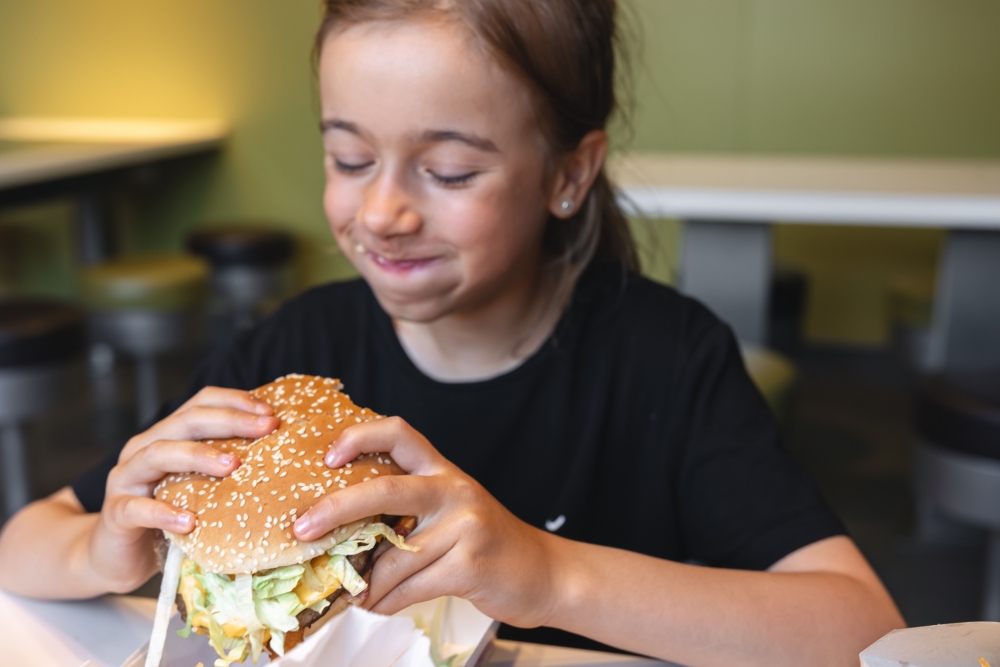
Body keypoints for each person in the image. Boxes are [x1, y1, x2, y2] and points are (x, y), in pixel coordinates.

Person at [0, 1, 904, 665]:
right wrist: (103, 547)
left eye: (448, 169)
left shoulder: (666, 359)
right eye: (348, 158)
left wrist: (545, 572)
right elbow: (23, 539)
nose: (383, 210)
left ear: (568, 174)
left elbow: (863, 627)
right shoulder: (290, 354)